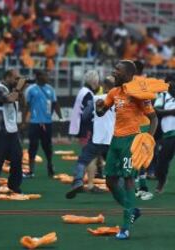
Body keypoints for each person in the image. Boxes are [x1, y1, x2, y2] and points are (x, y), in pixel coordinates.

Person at [96, 60, 158, 240]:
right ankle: (132, 210)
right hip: (115, 141)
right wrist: (98, 106)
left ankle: (125, 226)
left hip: (131, 141)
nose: (114, 72)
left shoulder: (138, 93)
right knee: (110, 181)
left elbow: (153, 119)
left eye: (118, 70)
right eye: (114, 68)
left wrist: (148, 140)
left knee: (128, 179)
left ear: (129, 74)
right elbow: (102, 112)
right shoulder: (114, 92)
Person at [66, 75, 115, 199]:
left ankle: (78, 182)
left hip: (97, 138)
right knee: (115, 165)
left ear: (104, 87)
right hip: (113, 138)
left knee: (83, 160)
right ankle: (124, 189)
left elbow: (85, 116)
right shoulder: (120, 100)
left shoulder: (96, 98)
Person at [23, 70, 62, 178]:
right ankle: (31, 170)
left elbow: (55, 103)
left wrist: (60, 117)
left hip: (47, 122)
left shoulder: (50, 89)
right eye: (45, 75)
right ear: (38, 76)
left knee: (47, 146)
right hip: (34, 122)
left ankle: (50, 164)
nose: (47, 77)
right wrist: (23, 121)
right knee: (33, 146)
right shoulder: (30, 89)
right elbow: (26, 106)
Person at [133, 60, 153, 201]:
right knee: (143, 157)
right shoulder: (145, 84)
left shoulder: (128, 84)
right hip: (145, 123)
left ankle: (135, 189)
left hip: (132, 125)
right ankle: (143, 187)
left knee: (132, 158)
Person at [154, 76, 175, 193]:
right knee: (161, 165)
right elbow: (156, 111)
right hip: (168, 134)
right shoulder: (162, 95)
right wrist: (172, 112)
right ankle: (161, 180)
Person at [69, 70, 100, 144]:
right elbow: (87, 113)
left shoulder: (83, 91)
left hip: (81, 127)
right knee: (88, 152)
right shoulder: (87, 94)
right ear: (94, 82)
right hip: (86, 128)